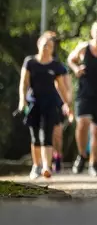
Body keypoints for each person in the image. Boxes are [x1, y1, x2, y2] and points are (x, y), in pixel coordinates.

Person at [18, 32, 72, 179]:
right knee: (35, 136)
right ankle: (36, 165)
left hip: (50, 103)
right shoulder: (30, 62)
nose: (47, 48)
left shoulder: (55, 65)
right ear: (38, 44)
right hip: (34, 102)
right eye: (44, 45)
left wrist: (67, 104)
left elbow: (61, 86)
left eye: (50, 46)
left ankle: (47, 166)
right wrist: (22, 100)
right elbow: (24, 83)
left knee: (47, 135)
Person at [68, 19, 97, 177]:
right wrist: (76, 68)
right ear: (92, 32)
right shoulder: (84, 47)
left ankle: (93, 164)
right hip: (84, 93)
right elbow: (70, 59)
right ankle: (82, 155)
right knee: (82, 124)